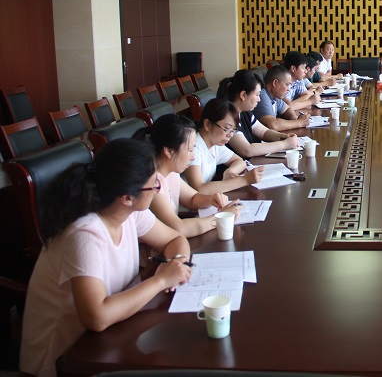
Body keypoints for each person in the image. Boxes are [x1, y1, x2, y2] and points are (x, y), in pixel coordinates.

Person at [20, 139, 192, 377]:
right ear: (127, 197)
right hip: (64, 359)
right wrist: (161, 280)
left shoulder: (128, 212)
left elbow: (175, 240)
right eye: (154, 184)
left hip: (113, 336)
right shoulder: (85, 233)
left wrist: (177, 263)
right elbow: (96, 317)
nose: (159, 189)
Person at [133, 114, 243, 237]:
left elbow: (192, 198)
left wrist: (211, 199)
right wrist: (222, 217)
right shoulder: (151, 184)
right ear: (169, 151)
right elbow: (179, 228)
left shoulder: (171, 173)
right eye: (190, 150)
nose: (193, 157)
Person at [183, 98, 264, 194]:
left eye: (233, 130)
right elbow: (200, 189)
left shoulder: (215, 144)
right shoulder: (194, 148)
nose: (230, 135)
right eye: (226, 129)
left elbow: (239, 161)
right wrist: (245, 180)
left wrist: (230, 172)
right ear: (207, 124)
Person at [217, 69, 302, 157]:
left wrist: (284, 137)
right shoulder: (227, 117)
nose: (259, 99)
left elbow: (263, 132)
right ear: (243, 95)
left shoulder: (245, 112)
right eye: (257, 95)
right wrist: (284, 144)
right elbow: (247, 150)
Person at [252, 65, 311, 131]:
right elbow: (273, 125)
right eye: (287, 84)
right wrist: (300, 122)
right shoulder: (261, 95)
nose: (288, 89)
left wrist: (294, 118)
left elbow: (287, 109)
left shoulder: (275, 96)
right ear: (275, 83)